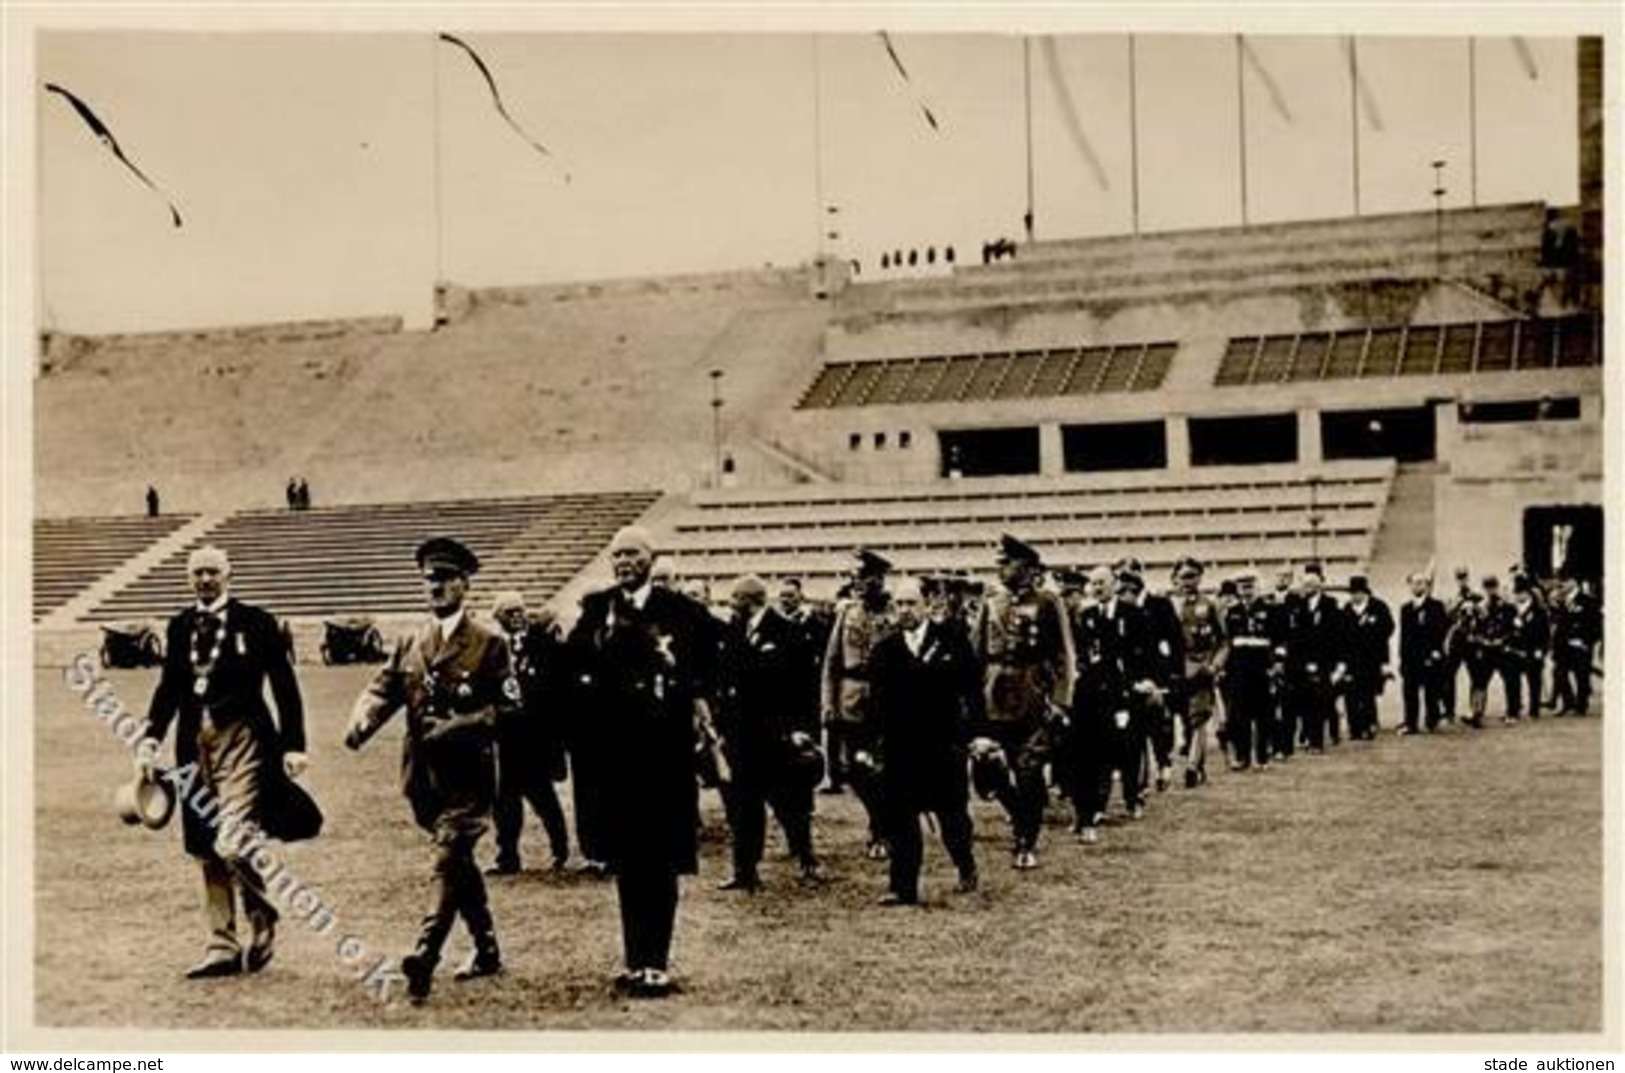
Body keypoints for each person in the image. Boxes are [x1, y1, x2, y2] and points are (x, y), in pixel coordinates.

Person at [344, 537, 515, 1003]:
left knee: (447, 857)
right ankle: (487, 949)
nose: (436, 588)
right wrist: (362, 722)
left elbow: (509, 710)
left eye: (445, 579)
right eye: (429, 580)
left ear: (464, 584)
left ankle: (425, 954)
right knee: (458, 862)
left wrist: (459, 726)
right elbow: (385, 690)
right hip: (423, 780)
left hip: (470, 779)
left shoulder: (489, 643)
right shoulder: (410, 642)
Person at [137, 545, 316, 979]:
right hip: (193, 744)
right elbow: (168, 689)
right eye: (197, 573)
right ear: (188, 579)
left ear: (228, 575)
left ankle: (262, 913)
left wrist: (293, 744)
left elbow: (284, 685)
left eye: (212, 572)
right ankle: (221, 945)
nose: (204, 580)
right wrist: (149, 740)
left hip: (244, 742)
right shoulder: (179, 626)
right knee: (204, 846)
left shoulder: (256, 622)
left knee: (232, 841)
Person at [565, 525, 717, 998]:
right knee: (629, 861)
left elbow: (710, 665)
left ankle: (658, 963)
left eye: (633, 553)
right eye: (617, 554)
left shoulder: (683, 612)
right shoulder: (597, 609)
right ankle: (635, 961)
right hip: (615, 759)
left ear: (652, 558)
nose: (624, 561)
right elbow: (571, 668)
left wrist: (686, 692)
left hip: (665, 757)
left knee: (661, 859)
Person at [868, 577, 981, 905]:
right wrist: (872, 744)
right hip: (900, 749)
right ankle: (902, 887)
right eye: (899, 604)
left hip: (943, 748)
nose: (904, 610)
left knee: (952, 818)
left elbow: (971, 692)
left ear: (927, 604)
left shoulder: (952, 641)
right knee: (901, 819)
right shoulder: (885, 650)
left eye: (910, 603)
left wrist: (973, 736)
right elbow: (876, 704)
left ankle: (965, 865)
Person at [971, 534, 1075, 868]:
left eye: (1007, 562)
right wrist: (971, 702)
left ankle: (1025, 840)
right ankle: (1019, 813)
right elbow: (975, 655)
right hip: (994, 697)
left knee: (1029, 771)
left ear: (1027, 567)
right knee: (987, 770)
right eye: (999, 562)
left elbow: (1063, 654)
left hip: (1032, 696)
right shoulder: (991, 603)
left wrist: (1061, 701)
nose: (1000, 567)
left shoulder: (1047, 602)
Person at [715, 575, 821, 891]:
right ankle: (745, 870)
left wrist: (803, 730)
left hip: (779, 736)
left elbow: (804, 687)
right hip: (743, 736)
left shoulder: (787, 632)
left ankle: (806, 857)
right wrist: (723, 730)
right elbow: (726, 683)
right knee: (744, 806)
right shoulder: (734, 632)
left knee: (790, 804)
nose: (731, 604)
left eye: (736, 598)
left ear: (752, 600)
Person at [487, 591, 571, 874]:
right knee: (505, 800)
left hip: (535, 735)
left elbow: (556, 687)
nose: (516, 616)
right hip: (505, 735)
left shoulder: (543, 643)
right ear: (498, 617)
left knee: (542, 796)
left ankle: (561, 849)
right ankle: (507, 856)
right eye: (509, 612)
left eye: (519, 610)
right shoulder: (494, 648)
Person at [820, 548, 897, 856]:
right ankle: (878, 819)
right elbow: (831, 662)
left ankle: (882, 828)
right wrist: (828, 703)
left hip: (886, 699)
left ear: (878, 579)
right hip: (851, 699)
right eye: (855, 578)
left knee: (883, 768)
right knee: (854, 769)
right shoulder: (848, 612)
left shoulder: (894, 613)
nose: (858, 583)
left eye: (864, 577)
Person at [1070, 565, 1155, 838]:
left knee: (1129, 746)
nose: (1097, 588)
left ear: (1114, 584)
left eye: (1102, 583)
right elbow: (1083, 653)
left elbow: (1145, 652)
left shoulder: (1133, 614)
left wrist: (1144, 680)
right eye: (1093, 584)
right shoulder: (1087, 616)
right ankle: (1096, 805)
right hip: (1097, 692)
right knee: (1098, 750)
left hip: (1127, 689)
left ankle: (1133, 797)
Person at [1117, 559, 1183, 792]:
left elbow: (1175, 641)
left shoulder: (1159, 604)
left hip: (1158, 674)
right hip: (1133, 675)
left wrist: (1173, 674)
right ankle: (1139, 779)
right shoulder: (1120, 608)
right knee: (1134, 728)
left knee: (1158, 725)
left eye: (1132, 573)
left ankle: (1163, 763)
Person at [1171, 557, 1227, 787]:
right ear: (1175, 578)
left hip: (1202, 667)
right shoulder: (1169, 605)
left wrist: (1215, 665)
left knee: (1199, 719)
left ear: (1200, 578)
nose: (1187, 582)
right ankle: (1198, 764)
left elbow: (1224, 640)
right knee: (1184, 721)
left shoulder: (1209, 605)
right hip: (1176, 670)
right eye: (1183, 576)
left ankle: (1192, 767)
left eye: (1192, 576)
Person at [1218, 570, 1280, 772]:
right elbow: (1226, 642)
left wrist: (1277, 664)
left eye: (1250, 585)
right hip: (1239, 671)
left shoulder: (1271, 610)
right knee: (1240, 716)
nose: (1246, 590)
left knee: (1263, 715)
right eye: (1242, 586)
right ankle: (1242, 757)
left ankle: (1262, 757)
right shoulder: (1231, 612)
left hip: (1262, 669)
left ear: (1257, 586)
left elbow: (1279, 640)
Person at [1288, 562, 1345, 752]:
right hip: (1301, 661)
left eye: (1312, 584)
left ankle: (1317, 741)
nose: (1309, 588)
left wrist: (1335, 662)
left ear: (1320, 585)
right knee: (1304, 701)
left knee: (1320, 701)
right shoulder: (1298, 606)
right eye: (1306, 585)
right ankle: (1306, 736)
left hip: (1323, 660)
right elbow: (1295, 635)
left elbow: (1335, 635)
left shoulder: (1330, 605)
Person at [1341, 574, 1394, 741]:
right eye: (1352, 593)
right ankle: (1354, 728)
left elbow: (1388, 628)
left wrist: (1372, 632)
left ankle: (1369, 724)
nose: (1355, 596)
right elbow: (1339, 635)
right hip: (1351, 658)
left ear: (1365, 593)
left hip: (1372, 658)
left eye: (1358, 593)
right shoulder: (1346, 610)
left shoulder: (1379, 607)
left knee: (1367, 693)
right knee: (1351, 694)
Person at [1398, 570, 1450, 734]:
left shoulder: (1436, 606)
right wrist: (1402, 658)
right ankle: (1411, 723)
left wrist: (1436, 651)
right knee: (1410, 692)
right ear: (1409, 585)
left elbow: (1441, 631)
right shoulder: (1406, 609)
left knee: (1431, 692)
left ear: (1427, 586)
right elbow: (1405, 636)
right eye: (1415, 583)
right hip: (1412, 658)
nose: (1418, 586)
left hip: (1430, 656)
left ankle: (1432, 720)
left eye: (1421, 582)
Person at [1550, 575, 1601, 716]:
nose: (1562, 585)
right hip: (1563, 645)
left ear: (1573, 582)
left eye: (1565, 582)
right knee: (1559, 673)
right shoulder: (1560, 600)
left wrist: (1585, 641)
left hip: (1580, 644)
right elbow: (1558, 623)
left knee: (1581, 676)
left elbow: (1596, 625)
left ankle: (1581, 705)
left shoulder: (1588, 601)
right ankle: (1568, 702)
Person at [1507, 574, 1551, 720]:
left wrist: (1542, 650)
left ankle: (1534, 710)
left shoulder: (1539, 611)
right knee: (1512, 682)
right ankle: (1513, 710)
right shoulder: (1510, 611)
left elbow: (1546, 634)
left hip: (1533, 651)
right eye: (1517, 593)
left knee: (1534, 682)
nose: (1519, 596)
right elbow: (1505, 631)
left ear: (1528, 593)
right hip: (1515, 652)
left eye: (1522, 593)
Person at [1441, 566, 1478, 722]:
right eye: (1459, 577)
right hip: (1456, 640)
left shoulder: (1476, 596)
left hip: (1471, 640)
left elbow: (1481, 616)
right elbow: (1447, 617)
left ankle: (1475, 709)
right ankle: (1449, 711)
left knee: (1475, 675)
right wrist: (1457, 604)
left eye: (1464, 577)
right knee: (1448, 676)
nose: (1462, 580)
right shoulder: (1451, 597)